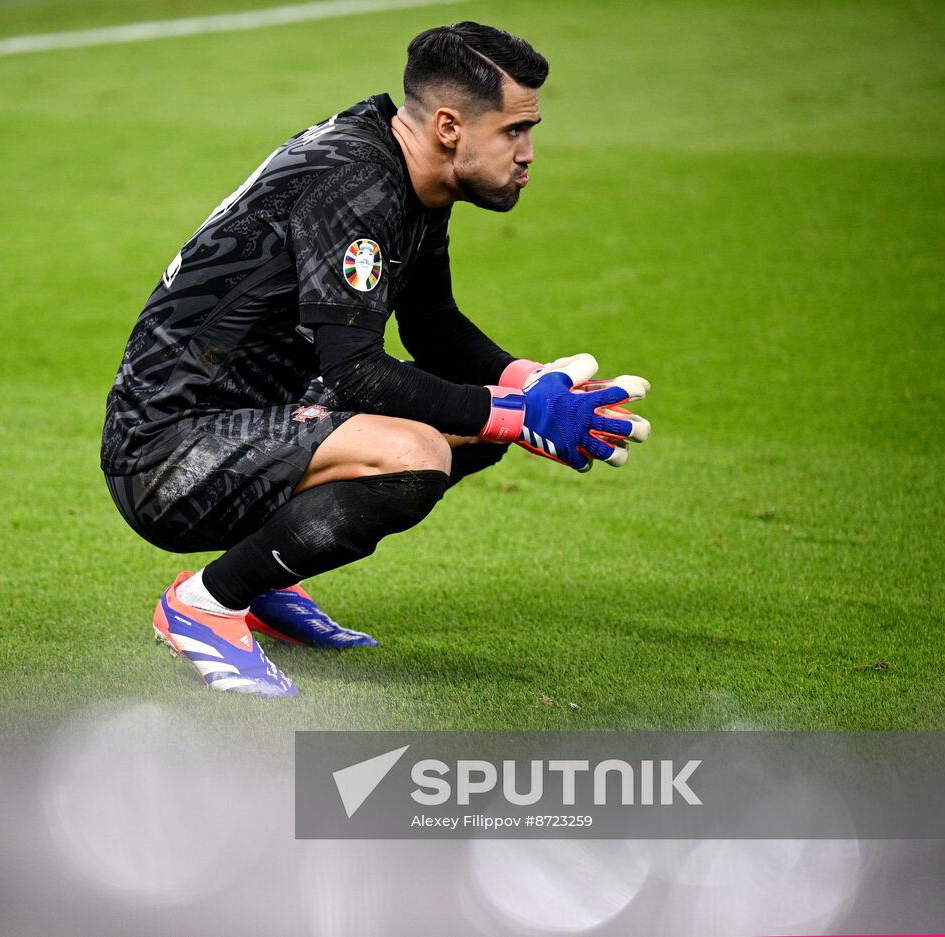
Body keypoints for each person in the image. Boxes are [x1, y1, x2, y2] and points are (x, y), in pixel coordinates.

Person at [101, 21, 651, 697]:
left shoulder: (406, 170)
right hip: (165, 457)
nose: (529, 152)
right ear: (450, 125)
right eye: (514, 130)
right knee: (417, 452)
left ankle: (262, 583)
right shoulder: (358, 182)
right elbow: (355, 370)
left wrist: (534, 387)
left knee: (469, 421)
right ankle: (207, 604)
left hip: (249, 416)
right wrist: (518, 415)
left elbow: (435, 327)